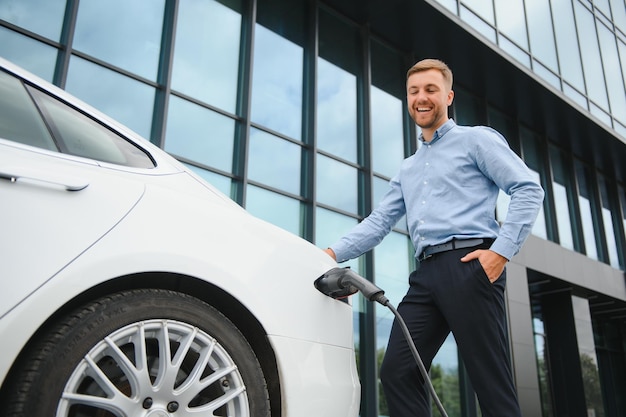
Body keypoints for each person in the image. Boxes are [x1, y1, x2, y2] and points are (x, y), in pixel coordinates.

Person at [323, 58, 544, 416]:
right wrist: (331, 253)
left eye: (430, 90)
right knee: (397, 370)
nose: (421, 98)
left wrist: (500, 253)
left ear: (449, 96)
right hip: (425, 277)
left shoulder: (475, 140)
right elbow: (380, 221)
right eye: (414, 91)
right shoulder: (408, 168)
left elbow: (528, 189)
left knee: (490, 382)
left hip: (471, 265)